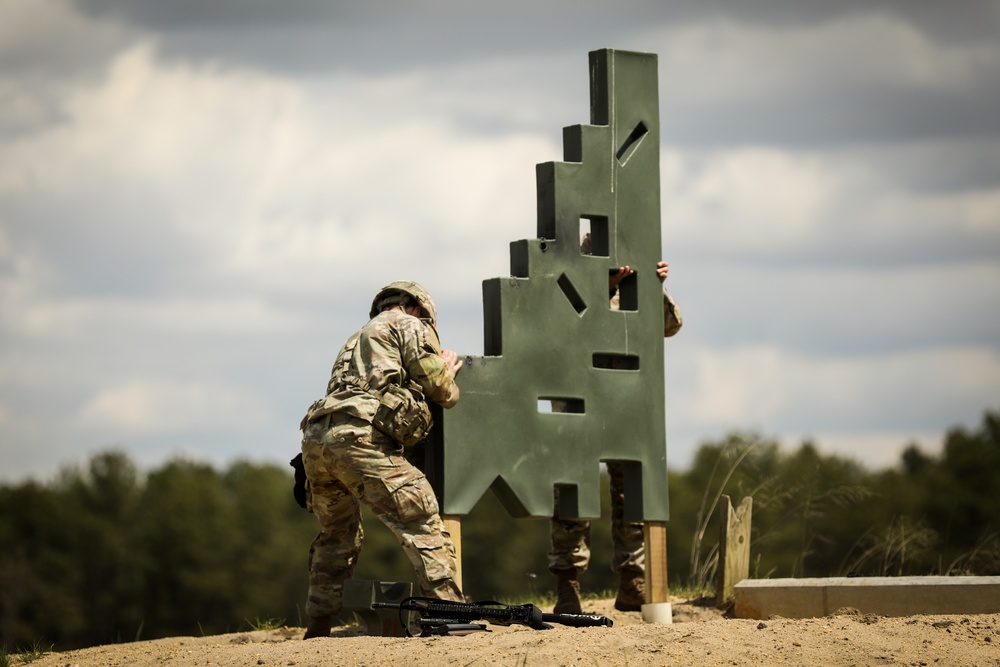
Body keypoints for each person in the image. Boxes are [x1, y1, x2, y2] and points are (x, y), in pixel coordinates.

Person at [299, 281, 465, 639]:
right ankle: (450, 613)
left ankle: (318, 625)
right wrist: (448, 372)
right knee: (420, 515)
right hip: (360, 438)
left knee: (337, 534)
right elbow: (440, 389)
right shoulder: (408, 325)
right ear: (419, 309)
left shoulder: (355, 337)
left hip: (315, 440)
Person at [549, 235, 683, 614]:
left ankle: (632, 580)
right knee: (573, 497)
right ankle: (567, 585)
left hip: (625, 406)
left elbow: (670, 325)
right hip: (578, 403)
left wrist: (653, 285)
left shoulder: (634, 293)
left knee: (631, 497)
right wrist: (602, 287)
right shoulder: (567, 287)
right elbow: (557, 327)